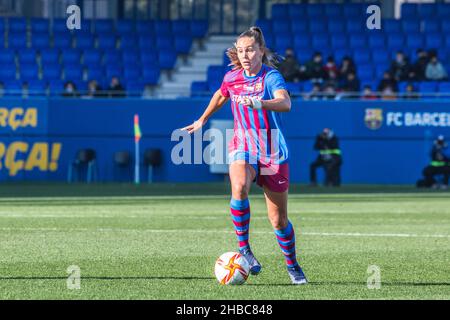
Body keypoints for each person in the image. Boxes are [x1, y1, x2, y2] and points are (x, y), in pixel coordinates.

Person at [181, 26, 307, 284]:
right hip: (243, 145)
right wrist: (202, 118)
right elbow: (220, 94)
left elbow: (286, 103)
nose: (245, 54)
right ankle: (245, 250)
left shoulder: (271, 77)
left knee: (279, 220)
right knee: (238, 187)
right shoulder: (232, 77)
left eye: (250, 49)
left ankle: (292, 265)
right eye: (240, 50)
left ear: (261, 50)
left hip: (272, 151)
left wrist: (259, 102)